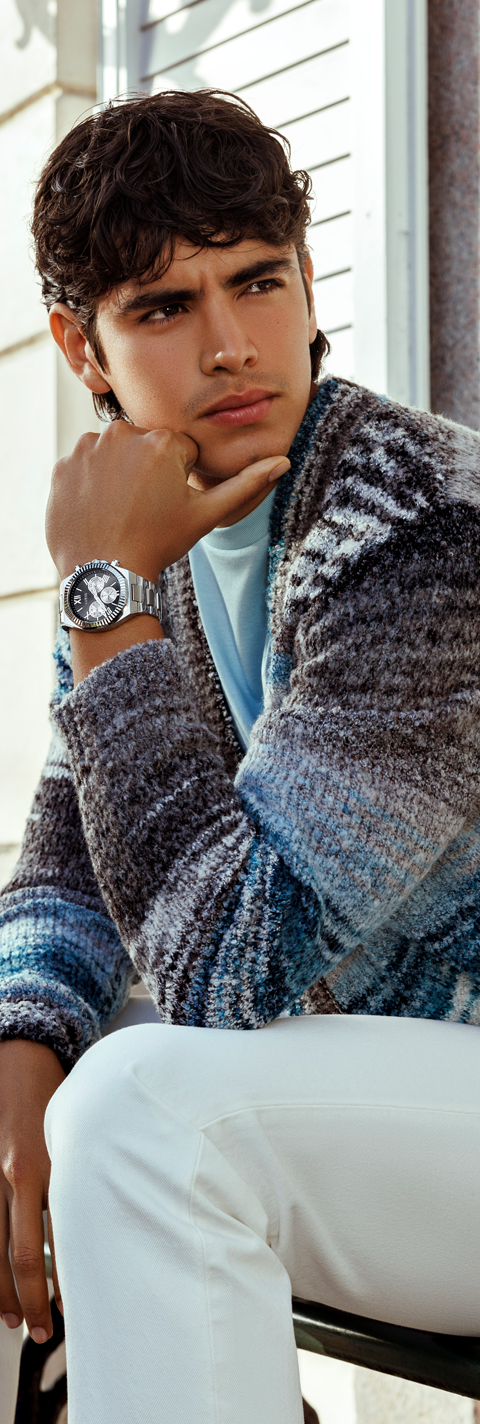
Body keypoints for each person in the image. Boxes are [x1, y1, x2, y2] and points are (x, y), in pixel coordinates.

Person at [1, 86, 480, 1424]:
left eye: (257, 282)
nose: (231, 346)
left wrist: (105, 597)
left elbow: (240, 967)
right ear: (79, 344)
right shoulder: (149, 530)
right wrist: (16, 1073)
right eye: (163, 307)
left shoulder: (417, 518)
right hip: (400, 1112)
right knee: (59, 1115)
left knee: (147, 1115)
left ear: (307, 277)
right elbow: (74, 859)